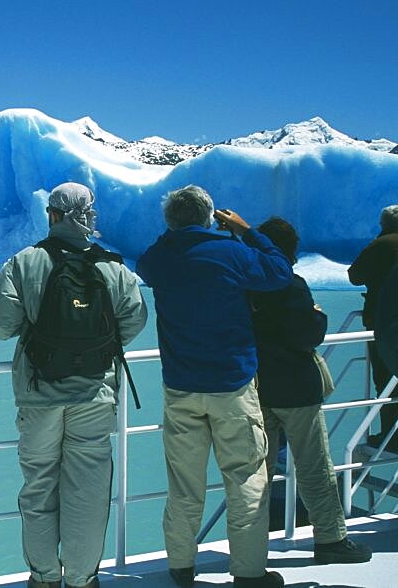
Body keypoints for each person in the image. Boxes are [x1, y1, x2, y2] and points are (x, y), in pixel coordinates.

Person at [0, 182, 147, 588]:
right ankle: (83, 578)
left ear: (51, 215)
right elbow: (134, 322)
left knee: (39, 487)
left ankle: (44, 576)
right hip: (94, 392)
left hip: (39, 393)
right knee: (87, 493)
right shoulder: (115, 269)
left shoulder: (26, 262)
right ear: (90, 218)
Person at [136, 186, 293, 588]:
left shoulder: (160, 258)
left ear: (170, 222)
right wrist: (246, 230)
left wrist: (177, 230)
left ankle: (181, 566)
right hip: (232, 385)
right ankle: (248, 572)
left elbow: (146, 262)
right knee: (245, 478)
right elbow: (279, 272)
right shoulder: (233, 252)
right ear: (210, 218)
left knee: (184, 483)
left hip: (181, 388)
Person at [250, 217, 372, 564]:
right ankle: (330, 538)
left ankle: (250, 542)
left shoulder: (247, 285)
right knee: (314, 465)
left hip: (258, 386)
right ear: (288, 250)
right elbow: (307, 333)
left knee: (258, 468)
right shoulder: (291, 285)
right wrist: (318, 315)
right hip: (296, 389)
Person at [348, 204, 398, 451]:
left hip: (384, 323)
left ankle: (391, 435)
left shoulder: (382, 244)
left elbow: (355, 275)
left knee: (385, 378)